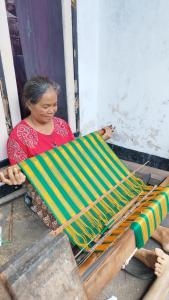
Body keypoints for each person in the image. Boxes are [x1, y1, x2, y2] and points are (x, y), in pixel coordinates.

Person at [0, 75, 112, 230]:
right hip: (46, 187)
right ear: (29, 104)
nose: (52, 111)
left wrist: (97, 140)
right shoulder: (18, 136)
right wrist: (17, 177)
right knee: (71, 217)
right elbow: (22, 175)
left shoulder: (61, 125)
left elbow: (74, 153)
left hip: (70, 175)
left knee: (103, 193)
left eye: (54, 105)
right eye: (45, 106)